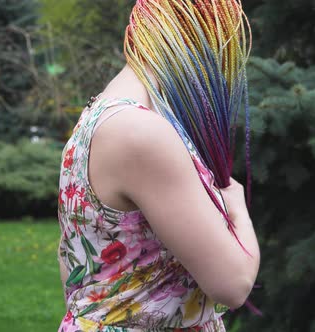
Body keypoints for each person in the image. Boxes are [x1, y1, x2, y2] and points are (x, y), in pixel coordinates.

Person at [57, 1, 260, 331]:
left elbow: (75, 262)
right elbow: (233, 284)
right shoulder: (140, 132)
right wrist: (237, 208)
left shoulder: (99, 115)